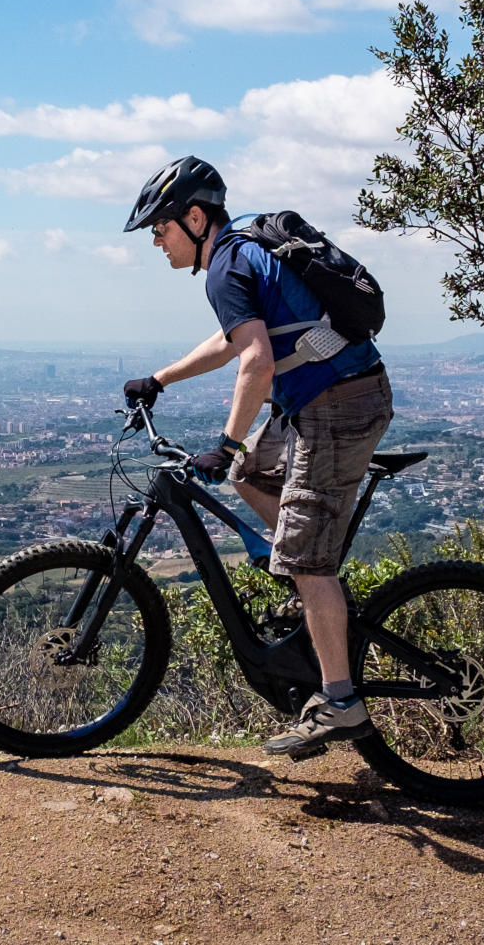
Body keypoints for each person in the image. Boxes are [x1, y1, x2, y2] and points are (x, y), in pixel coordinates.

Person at [119, 155, 393, 756]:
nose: (158, 244)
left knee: (305, 558)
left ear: (194, 218)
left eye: (161, 230)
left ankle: (340, 701)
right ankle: (311, 584)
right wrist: (160, 379)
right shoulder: (243, 249)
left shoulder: (226, 264)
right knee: (250, 474)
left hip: (336, 406)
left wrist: (225, 442)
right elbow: (235, 338)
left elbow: (256, 362)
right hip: (323, 400)